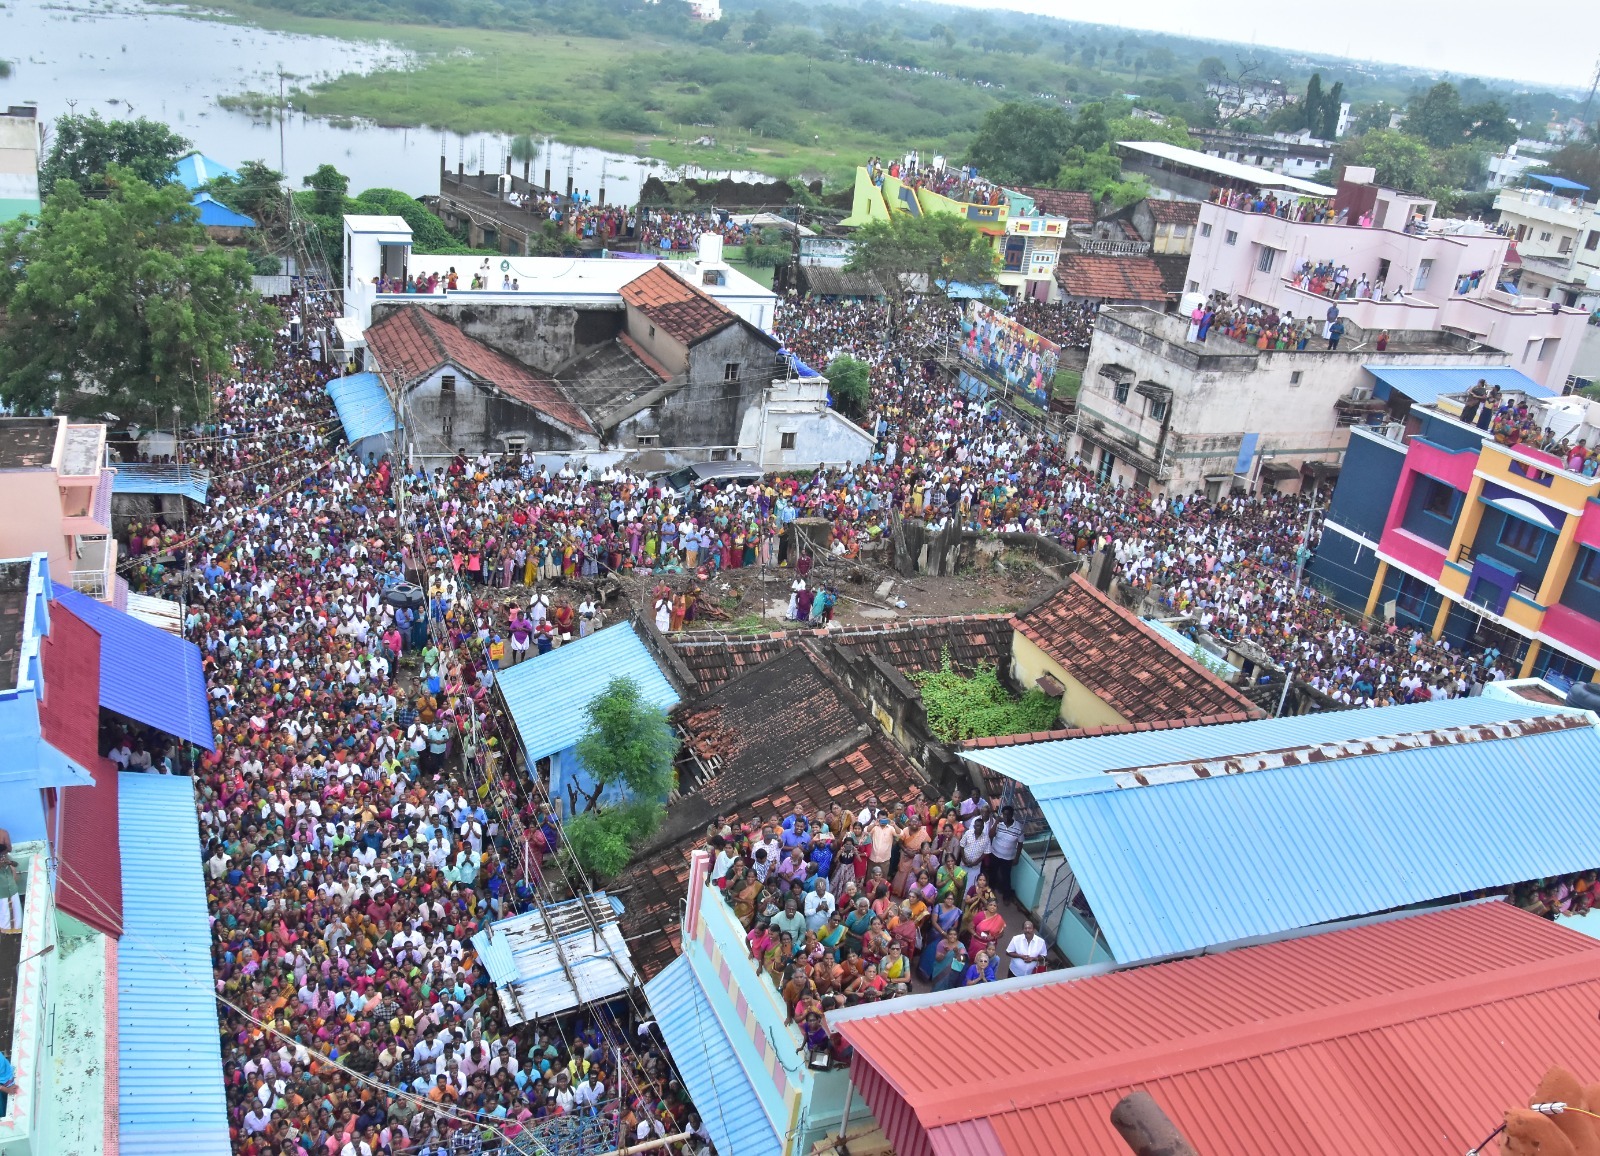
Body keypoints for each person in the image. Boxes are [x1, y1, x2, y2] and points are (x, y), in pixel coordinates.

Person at [988, 806, 1024, 901]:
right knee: (992, 874)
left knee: (1006, 877)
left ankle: (1006, 896)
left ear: (1012, 815)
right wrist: (996, 822)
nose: (1006, 816)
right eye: (1004, 814)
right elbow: (990, 835)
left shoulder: (1018, 827)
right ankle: (990, 891)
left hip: (1008, 858)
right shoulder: (999, 824)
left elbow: (1020, 844)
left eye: (1008, 814)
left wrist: (1017, 858)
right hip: (995, 854)